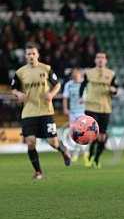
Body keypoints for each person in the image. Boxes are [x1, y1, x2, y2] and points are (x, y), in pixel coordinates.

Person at [11, 42, 71, 179]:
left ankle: (63, 150)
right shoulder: (20, 72)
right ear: (25, 56)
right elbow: (14, 88)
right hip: (28, 112)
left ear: (37, 55)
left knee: (52, 142)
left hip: (45, 112)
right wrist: (18, 94)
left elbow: (57, 85)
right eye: (28, 54)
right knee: (31, 142)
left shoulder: (46, 68)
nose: (31, 56)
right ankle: (38, 172)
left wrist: (51, 94)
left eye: (33, 53)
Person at [79, 52, 118, 168]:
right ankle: (90, 155)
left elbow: (116, 88)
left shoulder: (111, 74)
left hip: (105, 107)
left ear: (106, 60)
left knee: (102, 137)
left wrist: (113, 90)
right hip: (91, 107)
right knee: (93, 134)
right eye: (98, 58)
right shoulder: (88, 73)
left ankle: (96, 158)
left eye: (102, 58)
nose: (100, 60)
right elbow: (82, 86)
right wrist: (81, 97)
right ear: (95, 60)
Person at [62, 68, 89, 163]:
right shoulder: (68, 85)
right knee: (75, 135)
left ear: (80, 74)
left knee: (83, 134)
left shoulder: (85, 84)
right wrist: (65, 108)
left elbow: (90, 96)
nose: (75, 75)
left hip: (83, 113)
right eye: (73, 74)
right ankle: (80, 153)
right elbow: (65, 97)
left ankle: (83, 154)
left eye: (76, 74)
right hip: (73, 113)